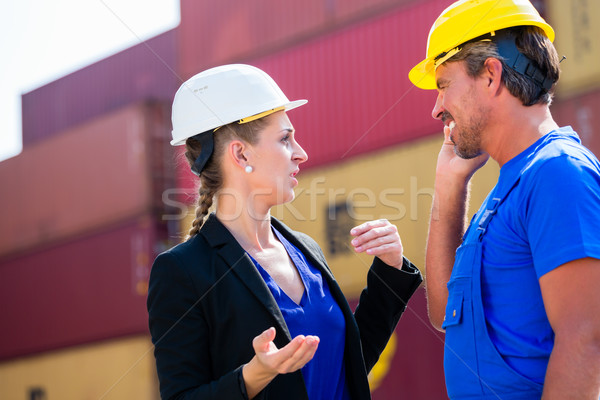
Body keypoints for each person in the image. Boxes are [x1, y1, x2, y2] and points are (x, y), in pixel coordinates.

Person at [147, 64, 422, 400]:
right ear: (241, 152)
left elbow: (346, 367)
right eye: (285, 138)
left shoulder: (305, 249)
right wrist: (253, 376)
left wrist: (390, 270)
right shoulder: (182, 272)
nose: (301, 153)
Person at [408, 0, 600, 398]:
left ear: (491, 75)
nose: (436, 108)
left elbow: (588, 340)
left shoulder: (556, 172)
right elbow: (445, 314)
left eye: (443, 85)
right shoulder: (505, 190)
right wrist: (449, 187)